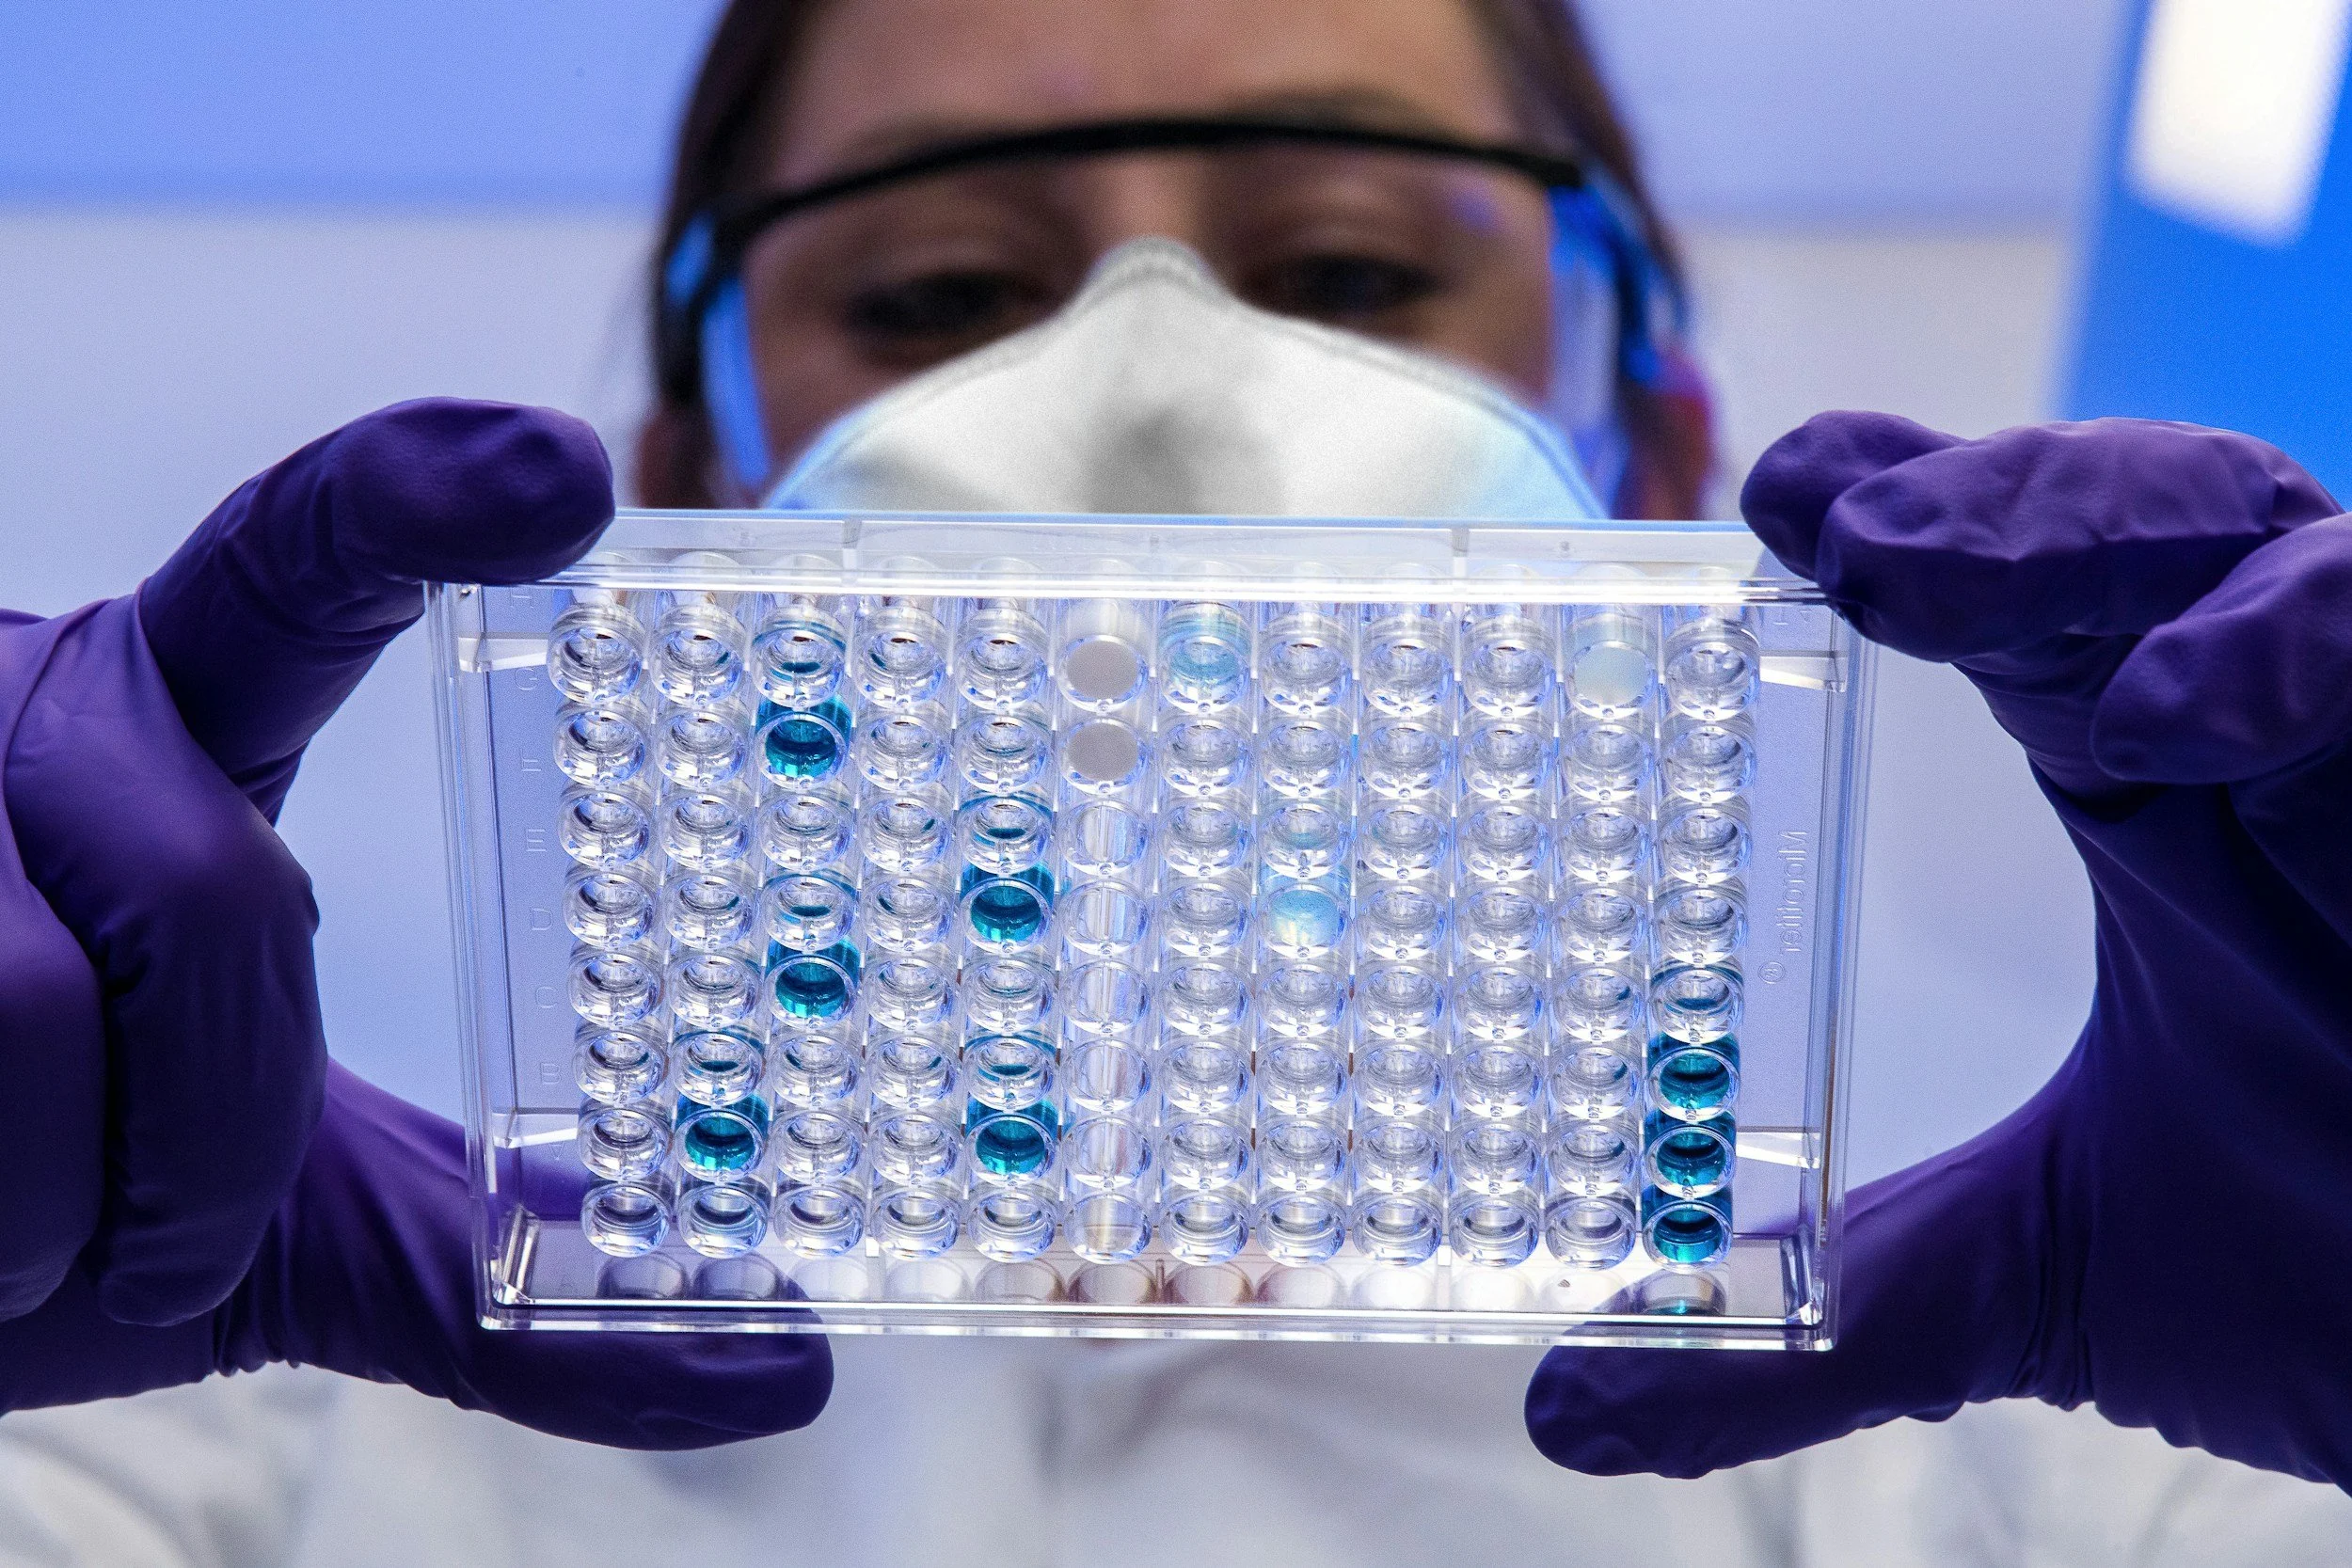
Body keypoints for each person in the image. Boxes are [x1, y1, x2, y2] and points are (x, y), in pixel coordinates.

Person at [3, 0, 2348, 1524]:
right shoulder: (227, 1445)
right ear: (674, 478)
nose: (1147, 382)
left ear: (1655, 448)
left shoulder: (2081, 1488)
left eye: (1340, 267)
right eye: (931, 295)